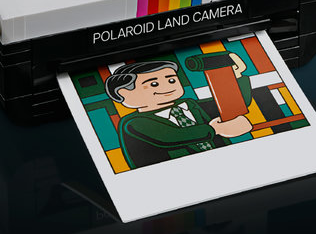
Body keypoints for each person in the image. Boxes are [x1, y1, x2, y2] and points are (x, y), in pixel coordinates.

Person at [104, 58, 253, 168]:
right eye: (154, 84)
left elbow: (232, 103)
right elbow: (170, 137)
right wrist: (217, 129)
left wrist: (236, 75)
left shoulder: (190, 104)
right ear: (125, 94)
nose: (167, 87)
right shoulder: (133, 123)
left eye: (171, 80)